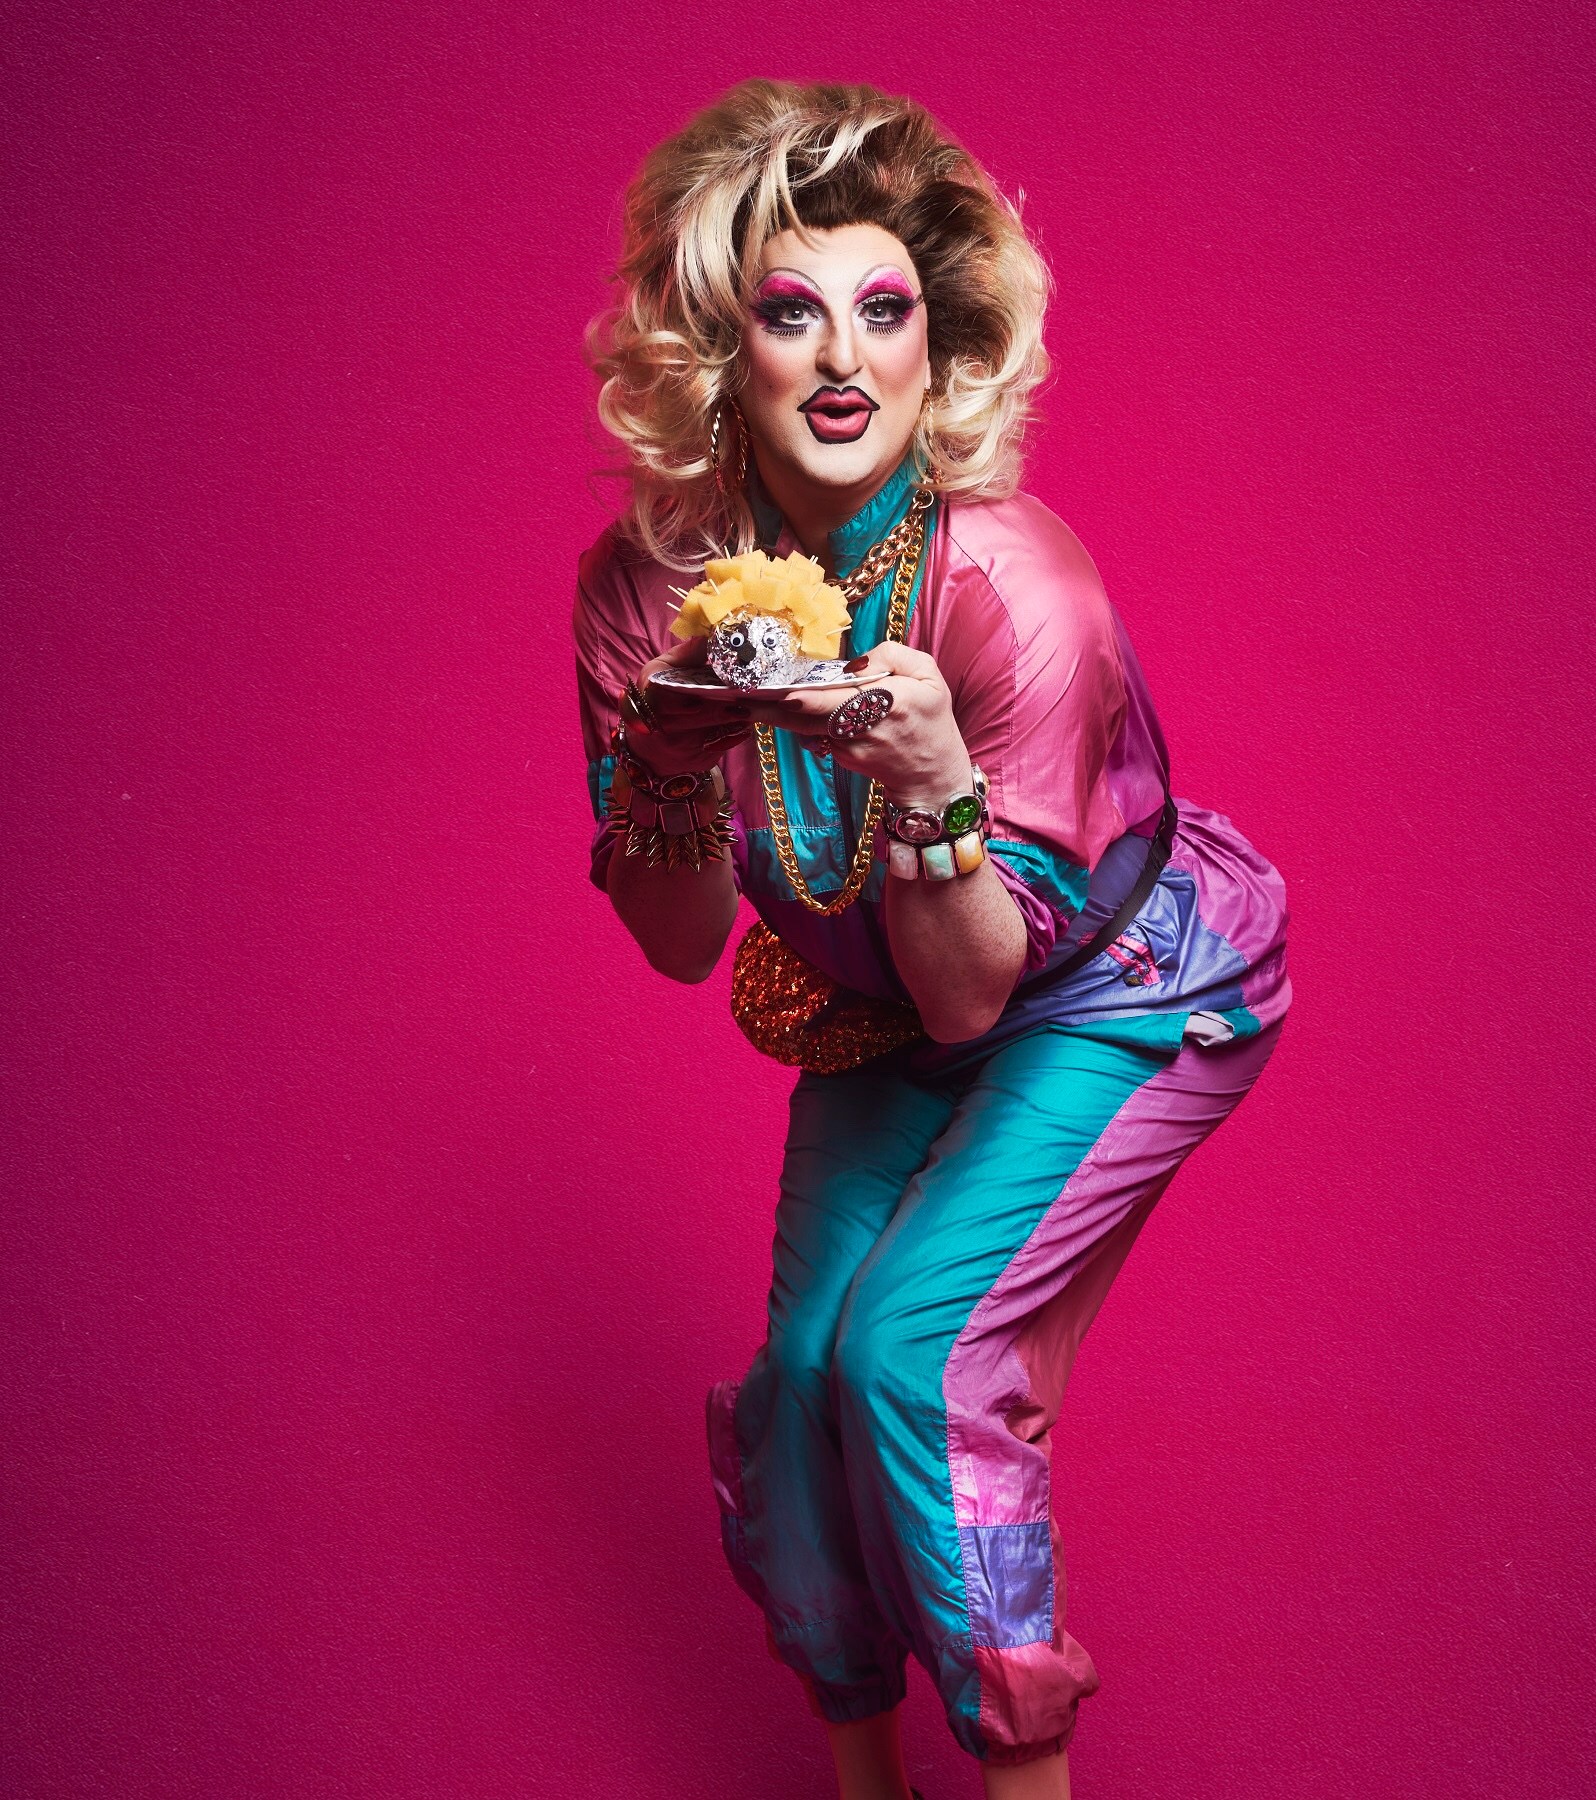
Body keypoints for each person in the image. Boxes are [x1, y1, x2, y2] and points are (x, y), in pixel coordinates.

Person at [573, 79, 1291, 1800]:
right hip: (878, 1001)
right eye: (790, 310)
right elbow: (680, 942)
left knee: (918, 1353)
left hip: (1112, 990)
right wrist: (663, 763)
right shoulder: (645, 589)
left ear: (937, 348)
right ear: (717, 351)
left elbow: (977, 990)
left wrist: (936, 784)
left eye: (884, 310)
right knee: (805, 1381)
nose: (842, 356)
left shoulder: (1015, 585)